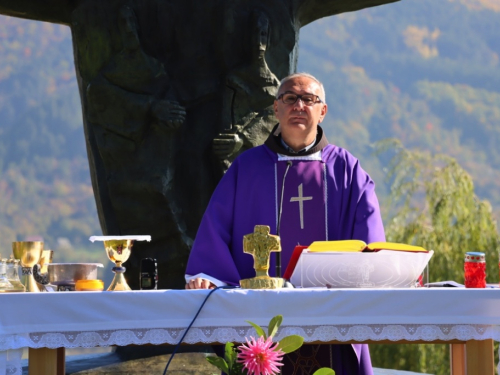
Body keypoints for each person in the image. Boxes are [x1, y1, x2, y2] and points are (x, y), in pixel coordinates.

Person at [185, 72, 385, 375]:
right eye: (290, 98)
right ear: (276, 109)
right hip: (258, 321)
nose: (299, 106)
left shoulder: (347, 170)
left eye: (309, 99)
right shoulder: (247, 168)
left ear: (323, 111)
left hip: (330, 317)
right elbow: (215, 229)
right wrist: (207, 276)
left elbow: (370, 241)